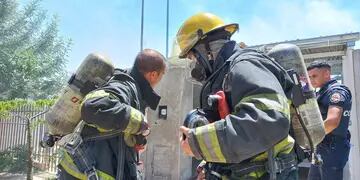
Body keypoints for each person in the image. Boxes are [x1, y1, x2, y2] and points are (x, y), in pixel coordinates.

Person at [177, 12, 298, 179]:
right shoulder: (225, 72)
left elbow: (269, 120)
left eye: (193, 57)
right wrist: (212, 163)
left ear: (207, 50)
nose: (194, 64)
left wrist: (199, 142)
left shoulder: (245, 65)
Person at [57, 49, 166, 180]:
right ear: (153, 75)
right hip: (85, 172)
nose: (161, 79)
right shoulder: (124, 86)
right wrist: (139, 123)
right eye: (162, 75)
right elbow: (93, 106)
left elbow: (114, 124)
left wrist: (135, 137)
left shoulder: (133, 89)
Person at [307, 61, 352, 180]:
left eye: (314, 76)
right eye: (310, 76)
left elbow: (332, 122)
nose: (311, 79)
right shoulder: (323, 92)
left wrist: (309, 137)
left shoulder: (336, 91)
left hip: (332, 150)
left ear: (326, 74)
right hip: (321, 148)